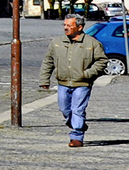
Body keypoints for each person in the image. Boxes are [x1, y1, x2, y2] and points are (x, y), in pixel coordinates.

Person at [39, 13, 109, 148]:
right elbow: (48, 61)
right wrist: (44, 80)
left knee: (78, 110)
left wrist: (87, 74)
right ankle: (79, 124)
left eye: (69, 25)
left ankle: (77, 136)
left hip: (82, 83)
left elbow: (102, 61)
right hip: (63, 83)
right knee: (64, 109)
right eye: (64, 25)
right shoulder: (57, 42)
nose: (65, 28)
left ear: (79, 27)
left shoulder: (92, 43)